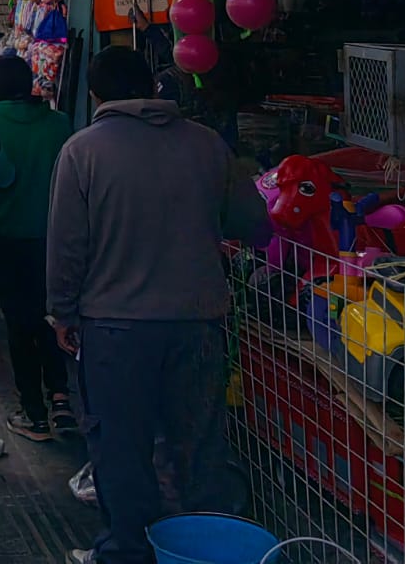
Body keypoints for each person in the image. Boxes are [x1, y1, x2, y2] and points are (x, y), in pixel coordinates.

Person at [49, 48, 269, 564]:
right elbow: (252, 223)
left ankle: (126, 550)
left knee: (121, 447)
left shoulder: (82, 151)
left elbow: (66, 246)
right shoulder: (208, 144)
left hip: (115, 329)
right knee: (199, 443)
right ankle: (207, 548)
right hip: (198, 322)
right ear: (150, 86)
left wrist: (61, 312)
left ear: (96, 94)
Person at [0, 54, 75, 443]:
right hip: (56, 239)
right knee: (55, 317)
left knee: (19, 325)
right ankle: (62, 399)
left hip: (8, 240)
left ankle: (34, 412)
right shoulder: (60, 124)